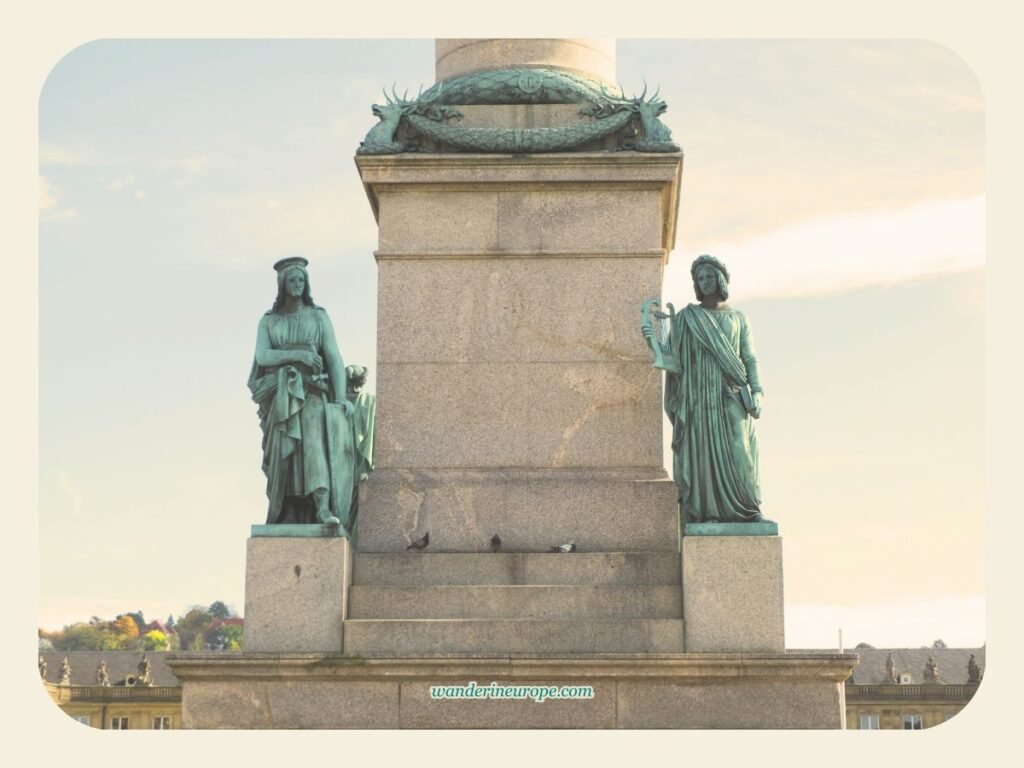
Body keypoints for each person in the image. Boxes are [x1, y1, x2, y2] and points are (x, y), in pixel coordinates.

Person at [642, 254, 765, 525]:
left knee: (739, 447)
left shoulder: (738, 318)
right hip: (698, 395)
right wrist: (655, 344)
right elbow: (674, 361)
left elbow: (750, 358)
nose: (705, 281)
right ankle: (708, 512)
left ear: (720, 279)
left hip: (731, 392)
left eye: (710, 276)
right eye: (700, 278)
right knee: (703, 453)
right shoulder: (687, 318)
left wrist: (756, 391)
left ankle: (750, 509)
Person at [248, 257, 355, 528]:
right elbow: (263, 356)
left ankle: (321, 506)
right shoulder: (268, 321)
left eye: (301, 280)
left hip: (311, 391)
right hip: (279, 394)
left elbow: (334, 359)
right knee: (286, 454)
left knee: (313, 444)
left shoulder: (318, 316)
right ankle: (288, 510)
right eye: (292, 280)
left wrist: (341, 400)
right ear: (282, 284)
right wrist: (299, 355)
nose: (297, 284)